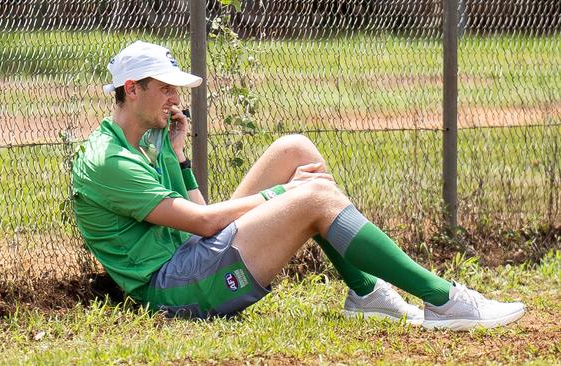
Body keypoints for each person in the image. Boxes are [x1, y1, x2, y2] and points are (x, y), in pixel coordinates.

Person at [71, 41, 525, 330]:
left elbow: (198, 221)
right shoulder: (108, 161)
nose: (176, 98)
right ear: (132, 88)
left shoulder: (151, 138)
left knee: (295, 149)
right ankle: (445, 301)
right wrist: (281, 196)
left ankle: (365, 292)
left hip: (190, 256)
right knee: (311, 195)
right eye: (166, 88)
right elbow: (205, 223)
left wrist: (181, 157)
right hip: (173, 289)